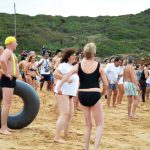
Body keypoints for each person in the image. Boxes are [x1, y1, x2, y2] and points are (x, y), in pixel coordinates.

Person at [57, 43, 108, 150]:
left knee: (88, 125)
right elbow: (106, 84)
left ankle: (86, 148)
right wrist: (102, 93)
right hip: (94, 93)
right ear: (94, 52)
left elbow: (67, 75)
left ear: (85, 52)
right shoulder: (99, 66)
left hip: (82, 94)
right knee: (99, 124)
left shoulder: (79, 65)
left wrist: (59, 86)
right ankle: (96, 148)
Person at [53, 48, 79, 143]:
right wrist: (66, 79)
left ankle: (66, 133)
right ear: (68, 56)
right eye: (73, 55)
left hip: (70, 94)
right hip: (62, 92)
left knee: (70, 114)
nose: (75, 56)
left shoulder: (72, 66)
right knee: (64, 114)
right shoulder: (63, 65)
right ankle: (57, 136)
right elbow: (55, 74)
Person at [0, 36, 19, 134]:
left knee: (8, 104)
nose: (17, 44)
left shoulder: (11, 52)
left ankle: (5, 126)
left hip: (11, 79)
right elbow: (2, 60)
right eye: (16, 42)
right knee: (6, 104)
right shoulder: (7, 51)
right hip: (7, 79)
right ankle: (3, 128)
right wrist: (6, 73)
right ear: (11, 43)